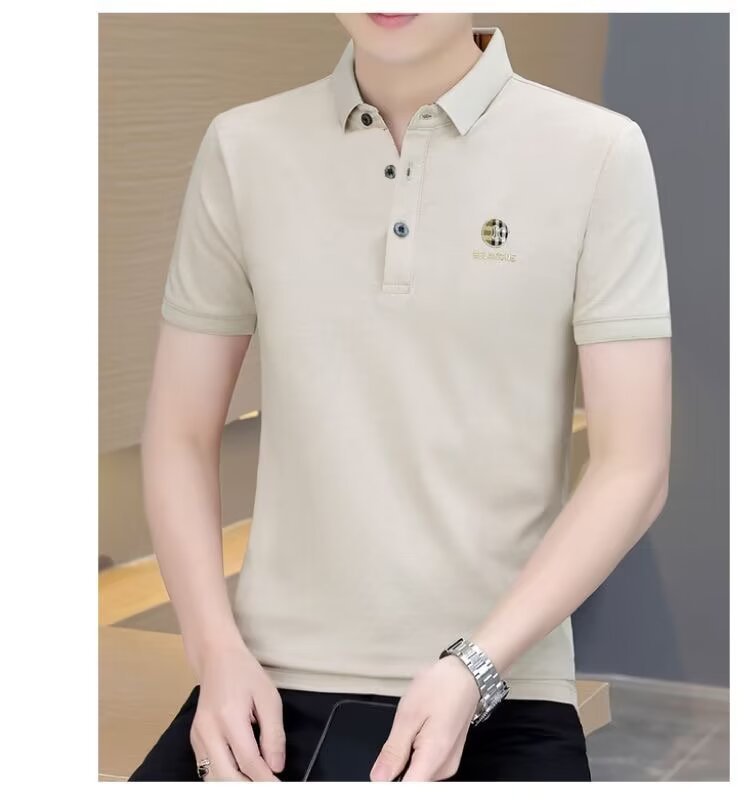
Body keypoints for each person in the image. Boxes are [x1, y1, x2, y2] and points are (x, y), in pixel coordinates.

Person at [130, 12, 672, 782]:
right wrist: (215, 651)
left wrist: (474, 667)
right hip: (266, 688)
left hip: (501, 688)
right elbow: (180, 433)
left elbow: (634, 467)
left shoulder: (599, 152)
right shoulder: (243, 147)